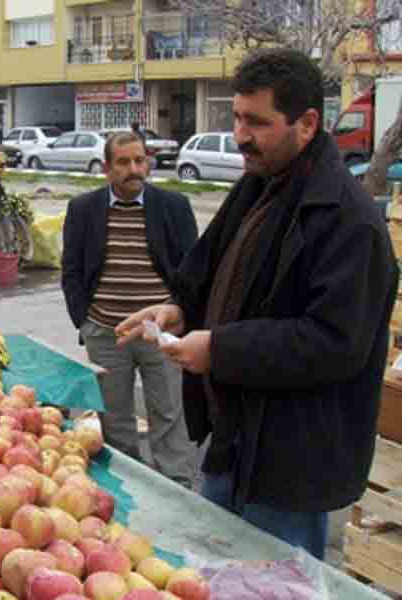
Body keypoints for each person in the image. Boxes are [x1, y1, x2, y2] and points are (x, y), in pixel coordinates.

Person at [115, 49, 399, 559]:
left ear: (307, 123)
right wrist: (177, 308)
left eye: (258, 122)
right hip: (232, 444)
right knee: (216, 577)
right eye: (237, 118)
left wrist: (220, 350)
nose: (241, 135)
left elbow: (334, 343)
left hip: (290, 467)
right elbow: (213, 268)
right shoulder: (259, 183)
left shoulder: (349, 221)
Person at [61, 131, 198, 488]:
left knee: (168, 414)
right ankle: (129, 491)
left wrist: (178, 314)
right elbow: (71, 271)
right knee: (116, 420)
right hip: (106, 333)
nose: (133, 169)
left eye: (139, 160)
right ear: (107, 168)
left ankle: (178, 489)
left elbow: (193, 271)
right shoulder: (83, 209)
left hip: (159, 331)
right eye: (123, 162)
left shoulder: (174, 207)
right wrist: (85, 321)